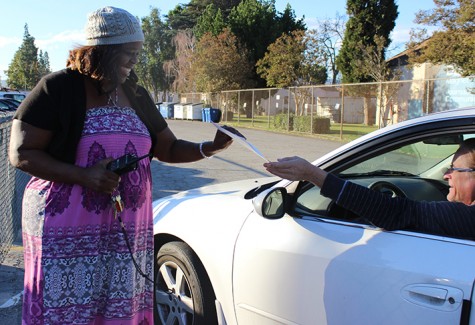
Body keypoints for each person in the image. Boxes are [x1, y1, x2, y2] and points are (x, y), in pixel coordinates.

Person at [9, 6, 238, 324]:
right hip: (67, 231)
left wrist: (209, 148)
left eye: (137, 52)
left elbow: (168, 147)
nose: (134, 60)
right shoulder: (57, 88)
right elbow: (21, 152)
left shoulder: (136, 93)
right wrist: (84, 175)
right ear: (102, 52)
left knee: (119, 308)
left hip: (125, 231)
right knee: (68, 309)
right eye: (128, 53)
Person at [264, 138, 475, 239]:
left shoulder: (468, 218)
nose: (445, 175)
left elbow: (396, 212)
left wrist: (313, 174)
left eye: (454, 169)